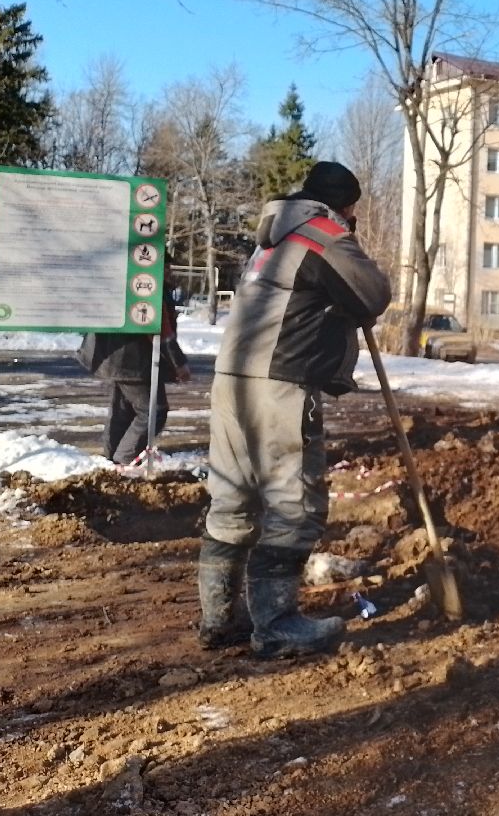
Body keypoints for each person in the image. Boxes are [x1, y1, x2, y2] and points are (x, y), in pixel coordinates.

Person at [198, 161, 392, 658]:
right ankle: (277, 625)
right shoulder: (323, 233)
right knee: (295, 506)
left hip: (232, 379)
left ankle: (220, 617)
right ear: (345, 204)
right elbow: (374, 293)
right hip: (279, 385)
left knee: (233, 498)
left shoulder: (273, 237)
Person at [77, 287, 190, 465]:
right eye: (169, 271)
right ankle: (125, 459)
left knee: (123, 410)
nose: (171, 274)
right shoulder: (150, 283)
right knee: (153, 411)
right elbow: (159, 329)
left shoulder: (124, 279)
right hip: (132, 360)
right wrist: (178, 363)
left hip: (112, 355)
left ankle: (112, 459)